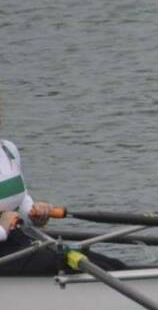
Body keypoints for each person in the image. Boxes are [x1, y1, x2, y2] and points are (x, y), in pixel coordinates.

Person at [0, 101, 122, 274]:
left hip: (17, 239)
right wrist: (3, 229)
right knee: (66, 262)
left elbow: (21, 198)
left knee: (109, 263)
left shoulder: (8, 150)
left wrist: (34, 213)